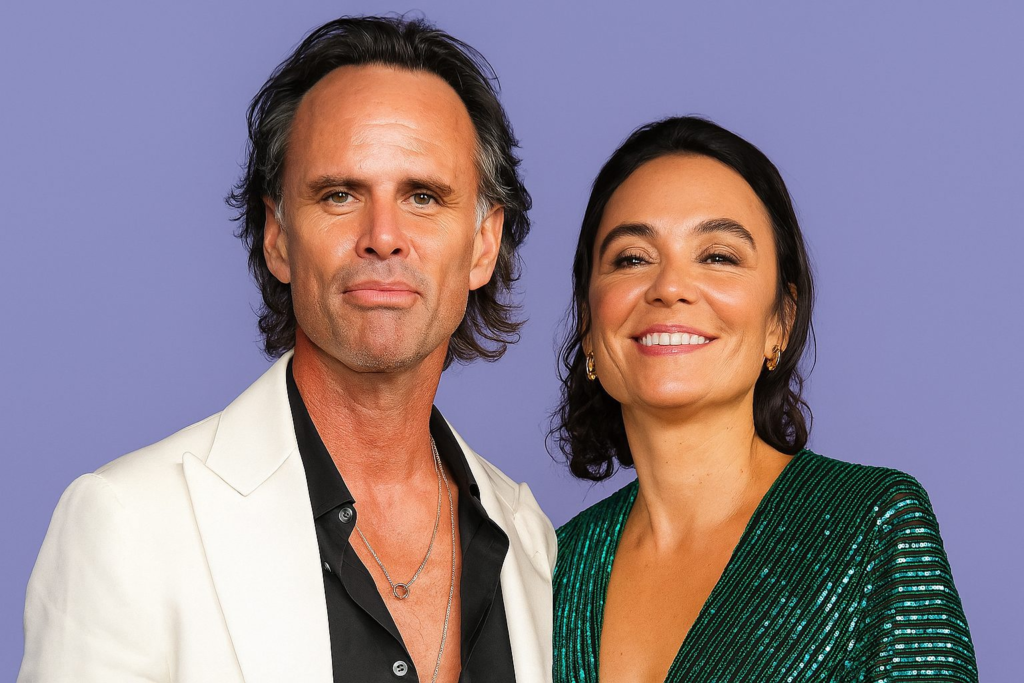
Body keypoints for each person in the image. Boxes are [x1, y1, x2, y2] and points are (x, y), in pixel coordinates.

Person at [19, 16, 555, 683]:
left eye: (423, 196)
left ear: (483, 244)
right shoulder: (129, 525)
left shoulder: (529, 539)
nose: (382, 236)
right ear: (277, 236)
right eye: (339, 195)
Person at [551, 117, 977, 682]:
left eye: (718, 256)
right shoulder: (547, 569)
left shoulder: (873, 527)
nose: (669, 287)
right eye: (632, 258)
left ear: (781, 320)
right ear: (588, 326)